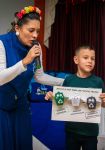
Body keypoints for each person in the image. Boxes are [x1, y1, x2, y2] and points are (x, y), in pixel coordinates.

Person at [0, 6, 64, 150]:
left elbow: (39, 76)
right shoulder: (2, 43)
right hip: (2, 107)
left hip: (22, 106)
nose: (35, 35)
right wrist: (24, 62)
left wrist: (66, 81)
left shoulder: (36, 47)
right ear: (18, 28)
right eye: (31, 30)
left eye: (38, 31)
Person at [45, 45, 105, 150]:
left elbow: (104, 105)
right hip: (71, 131)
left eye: (92, 59)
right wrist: (52, 97)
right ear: (76, 60)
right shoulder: (69, 80)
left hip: (91, 132)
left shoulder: (98, 81)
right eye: (85, 57)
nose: (90, 61)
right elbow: (62, 102)